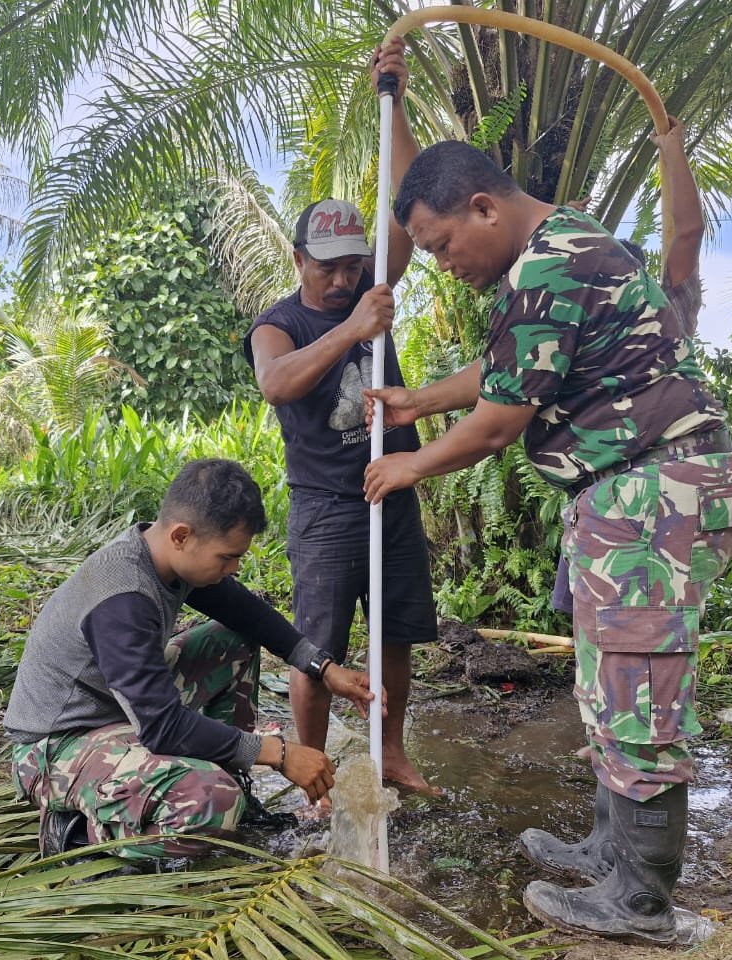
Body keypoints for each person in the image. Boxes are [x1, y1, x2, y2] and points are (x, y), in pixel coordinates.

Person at [361, 141, 732, 945]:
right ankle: (613, 850)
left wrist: (412, 465)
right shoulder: (556, 252)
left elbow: (500, 422)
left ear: (484, 208)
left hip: (654, 494)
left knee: (637, 695)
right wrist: (418, 401)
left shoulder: (549, 264)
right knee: (608, 683)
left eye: (440, 246)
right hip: (631, 495)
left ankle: (642, 902)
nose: (442, 264)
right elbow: (505, 372)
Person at [3, 458, 381, 864]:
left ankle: (225, 778)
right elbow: (162, 726)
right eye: (227, 557)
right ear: (182, 535)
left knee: (232, 641)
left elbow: (247, 614)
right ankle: (83, 836)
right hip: (55, 746)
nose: (233, 568)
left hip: (118, 711)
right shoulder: (122, 597)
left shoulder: (164, 554)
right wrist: (279, 753)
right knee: (211, 800)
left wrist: (322, 668)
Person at [243, 38, 436, 806]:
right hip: (324, 505)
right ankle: (314, 765)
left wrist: (395, 95)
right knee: (315, 646)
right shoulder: (279, 323)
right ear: (299, 258)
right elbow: (276, 383)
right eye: (326, 262)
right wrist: (353, 328)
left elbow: (414, 196)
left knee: (397, 632)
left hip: (392, 487)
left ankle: (390, 752)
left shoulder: (376, 280)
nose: (343, 273)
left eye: (353, 260)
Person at [551, 115, 706, 617]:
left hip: (655, 485)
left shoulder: (666, 306)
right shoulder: (577, 316)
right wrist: (555, 227)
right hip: (595, 492)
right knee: (596, 629)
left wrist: (670, 150)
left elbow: (686, 231)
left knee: (648, 626)